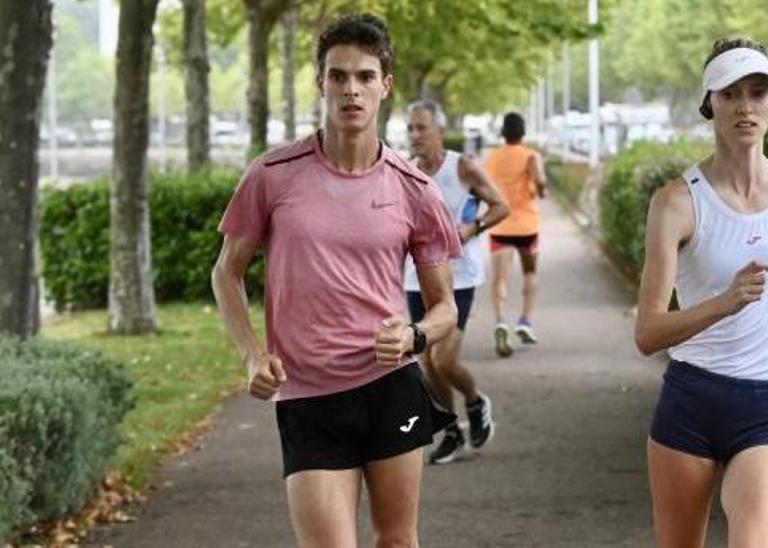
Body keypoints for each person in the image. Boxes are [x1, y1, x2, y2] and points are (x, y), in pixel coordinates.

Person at [210, 14, 461, 546]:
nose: (352, 89)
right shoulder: (271, 176)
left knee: (397, 540)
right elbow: (227, 273)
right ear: (319, 81)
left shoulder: (415, 190)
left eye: (366, 77)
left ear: (385, 86)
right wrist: (252, 354)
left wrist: (414, 336)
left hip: (389, 386)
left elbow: (444, 309)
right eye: (339, 76)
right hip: (307, 394)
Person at [633, 38, 768, 547]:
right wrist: (724, 303)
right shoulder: (677, 203)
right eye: (730, 94)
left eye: (758, 92)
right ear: (710, 105)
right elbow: (647, 333)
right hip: (692, 401)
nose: (745, 106)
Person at [403, 99, 510, 464]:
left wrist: (471, 227)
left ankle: (476, 402)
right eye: (410, 129)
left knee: (443, 359)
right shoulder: (405, 172)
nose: (415, 135)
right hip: (416, 278)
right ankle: (451, 431)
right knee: (429, 362)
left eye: (422, 128)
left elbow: (501, 205)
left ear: (439, 130)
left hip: (459, 277)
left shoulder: (461, 167)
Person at [484, 112, 547, 357]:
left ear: (503, 133)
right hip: (526, 227)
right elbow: (540, 182)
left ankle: (500, 321)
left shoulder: (492, 158)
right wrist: (540, 189)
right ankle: (525, 321)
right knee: (530, 272)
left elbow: (485, 187)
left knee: (499, 279)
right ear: (523, 132)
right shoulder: (531, 155)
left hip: (499, 224)